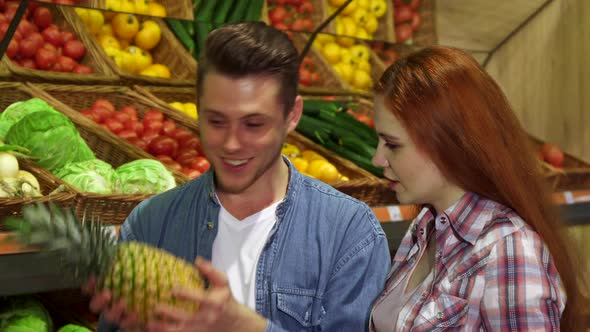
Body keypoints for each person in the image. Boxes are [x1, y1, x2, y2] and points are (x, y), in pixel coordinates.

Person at [88, 21, 391, 332]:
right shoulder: (150, 225)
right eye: (216, 121)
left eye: (254, 124)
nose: (231, 143)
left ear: (292, 115)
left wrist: (247, 327)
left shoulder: (349, 233)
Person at [368, 46, 588, 331]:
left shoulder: (508, 250)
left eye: (393, 144)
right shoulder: (424, 227)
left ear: (447, 144)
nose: (377, 159)